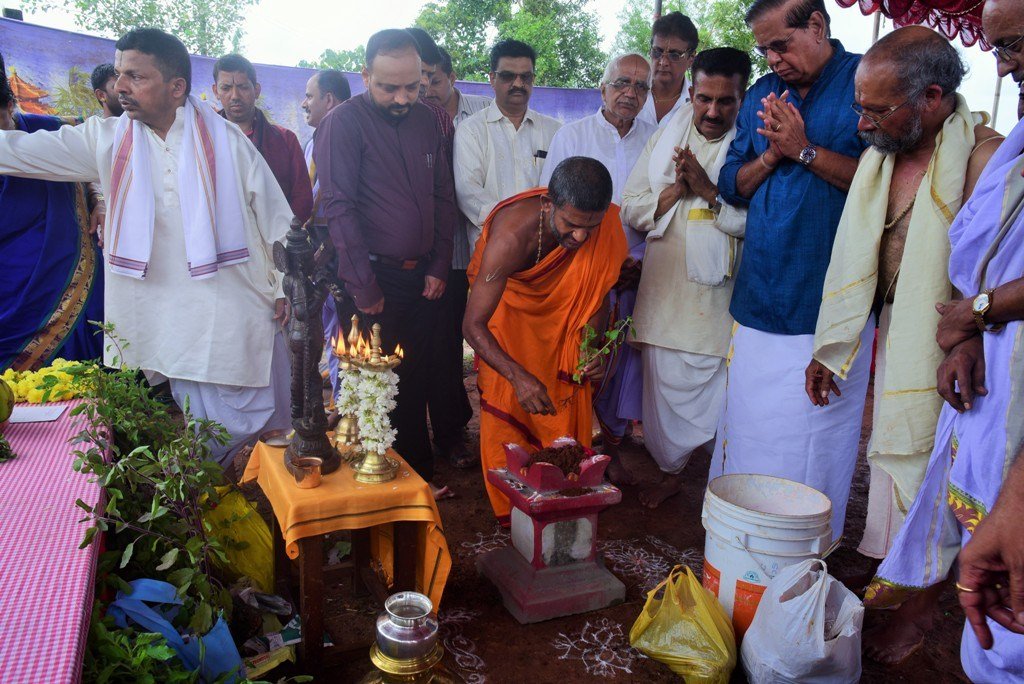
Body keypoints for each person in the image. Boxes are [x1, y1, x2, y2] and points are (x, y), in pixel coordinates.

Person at [0, 29, 293, 469]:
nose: (120, 87)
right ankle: (215, 504)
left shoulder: (229, 143)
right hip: (168, 315)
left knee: (257, 415)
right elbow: (23, 152)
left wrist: (286, 285)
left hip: (234, 305)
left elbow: (277, 219)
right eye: (119, 75)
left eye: (135, 76)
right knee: (202, 422)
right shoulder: (106, 139)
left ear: (176, 88)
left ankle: (259, 506)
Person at [809, 27, 1001, 663]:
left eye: (876, 109)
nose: (862, 123)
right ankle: (896, 572)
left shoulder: (984, 159)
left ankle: (919, 608)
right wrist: (831, 346)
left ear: (933, 97)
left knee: (935, 479)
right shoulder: (885, 151)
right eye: (860, 106)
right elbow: (868, 254)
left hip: (963, 354)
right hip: (901, 331)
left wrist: (967, 336)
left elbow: (1001, 278)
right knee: (894, 463)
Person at [866, 1, 1024, 677]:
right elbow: (981, 261)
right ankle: (953, 605)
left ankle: (946, 614)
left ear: (930, 98)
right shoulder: (1014, 149)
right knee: (965, 499)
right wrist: (966, 332)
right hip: (986, 368)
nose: (1005, 66)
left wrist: (980, 312)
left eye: (1015, 47)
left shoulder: (983, 152)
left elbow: (986, 290)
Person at [709, 0, 867, 545]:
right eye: (764, 50)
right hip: (759, 294)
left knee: (814, 436)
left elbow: (885, 184)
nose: (773, 58)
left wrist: (803, 151)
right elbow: (731, 183)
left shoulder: (866, 85)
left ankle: (803, 548)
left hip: (827, 300)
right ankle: (741, 535)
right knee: (750, 428)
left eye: (781, 44)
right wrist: (771, 158)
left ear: (818, 26)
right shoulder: (759, 96)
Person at [314, 28, 456, 492]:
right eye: (388, 87)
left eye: (412, 86)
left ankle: (415, 474)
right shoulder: (342, 123)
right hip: (372, 278)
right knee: (372, 383)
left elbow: (442, 195)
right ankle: (370, 476)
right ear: (365, 75)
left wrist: (438, 265)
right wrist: (363, 285)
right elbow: (338, 206)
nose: (402, 98)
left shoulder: (429, 119)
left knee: (415, 376)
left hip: (423, 278)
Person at [620, 47, 751, 508]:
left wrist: (710, 193)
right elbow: (632, 204)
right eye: (705, 99)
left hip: (719, 301)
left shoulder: (752, 144)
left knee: (720, 391)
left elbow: (762, 223)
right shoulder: (666, 135)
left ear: (742, 98)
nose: (713, 111)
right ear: (691, 93)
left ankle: (721, 480)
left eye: (726, 101)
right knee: (664, 388)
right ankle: (669, 470)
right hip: (663, 290)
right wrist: (678, 188)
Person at [464, 157, 627, 523]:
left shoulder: (604, 224)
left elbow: (596, 294)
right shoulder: (512, 238)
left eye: (591, 226)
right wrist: (517, 375)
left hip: (563, 331)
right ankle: (514, 513)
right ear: (548, 204)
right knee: (510, 403)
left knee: (563, 407)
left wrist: (593, 347)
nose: (581, 237)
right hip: (505, 319)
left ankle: (563, 499)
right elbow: (473, 325)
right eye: (571, 225)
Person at [538, 53, 656, 485]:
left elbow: (661, 207)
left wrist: (635, 261)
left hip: (635, 269)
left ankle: (613, 446)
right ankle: (569, 443)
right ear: (602, 88)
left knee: (621, 359)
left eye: (641, 86)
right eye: (622, 82)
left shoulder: (657, 138)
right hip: (581, 266)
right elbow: (553, 207)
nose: (631, 93)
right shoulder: (572, 136)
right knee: (579, 354)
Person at [0, 52, 104, 370]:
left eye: (3, 122)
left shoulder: (48, 130)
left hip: (70, 274)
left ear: (9, 105)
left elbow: (94, 165)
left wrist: (98, 200)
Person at [405, 27, 474, 468]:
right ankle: (407, 443)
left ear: (448, 76)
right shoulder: (399, 117)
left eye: (430, 77)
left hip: (456, 257)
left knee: (447, 348)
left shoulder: (479, 118)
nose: (424, 87)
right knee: (409, 352)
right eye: (417, 79)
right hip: (406, 258)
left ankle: (451, 434)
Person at [454, 39, 561, 259]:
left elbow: (563, 190)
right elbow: (469, 195)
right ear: (492, 79)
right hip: (490, 254)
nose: (518, 83)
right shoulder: (471, 130)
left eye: (526, 77)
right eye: (508, 76)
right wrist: (520, 227)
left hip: (544, 257)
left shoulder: (555, 131)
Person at [213, 53, 312, 224]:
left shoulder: (285, 141)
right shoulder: (205, 140)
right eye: (226, 88)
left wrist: (281, 234)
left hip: (276, 241)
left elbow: (303, 200)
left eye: (243, 87)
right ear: (216, 91)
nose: (235, 95)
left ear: (256, 90)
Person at [300, 68, 350, 392]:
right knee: (332, 333)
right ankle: (341, 401)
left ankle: (355, 413)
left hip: (347, 258)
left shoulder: (351, 137)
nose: (304, 104)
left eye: (309, 96)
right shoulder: (311, 142)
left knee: (351, 335)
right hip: (319, 260)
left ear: (328, 99)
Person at [638, 11, 698, 128]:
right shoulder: (631, 92)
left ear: (691, 58)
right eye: (657, 52)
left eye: (674, 55)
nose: (663, 62)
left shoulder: (699, 102)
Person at [426, 46, 491, 127]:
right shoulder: (416, 119)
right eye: (421, 85)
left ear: (452, 78)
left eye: (435, 83)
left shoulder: (486, 107)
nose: (427, 93)